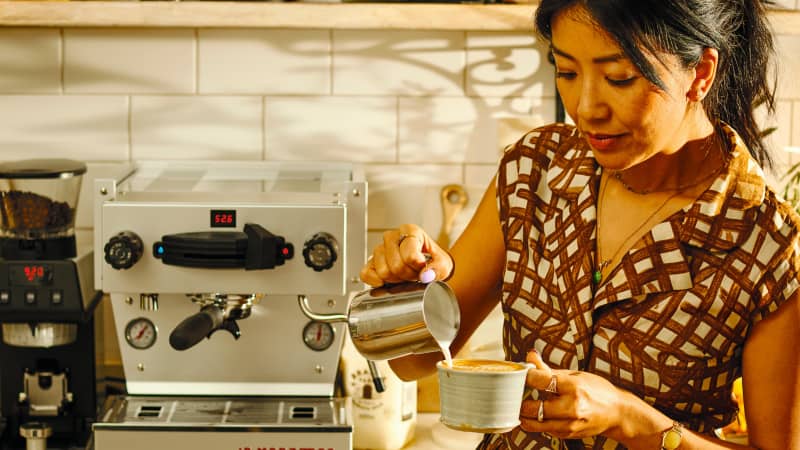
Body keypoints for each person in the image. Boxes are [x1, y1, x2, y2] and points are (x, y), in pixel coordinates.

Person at [359, 0, 800, 449]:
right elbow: (417, 360)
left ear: (701, 73)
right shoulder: (534, 172)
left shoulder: (766, 246)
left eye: (619, 78)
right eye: (567, 72)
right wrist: (411, 288)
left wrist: (629, 419)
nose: (586, 107)